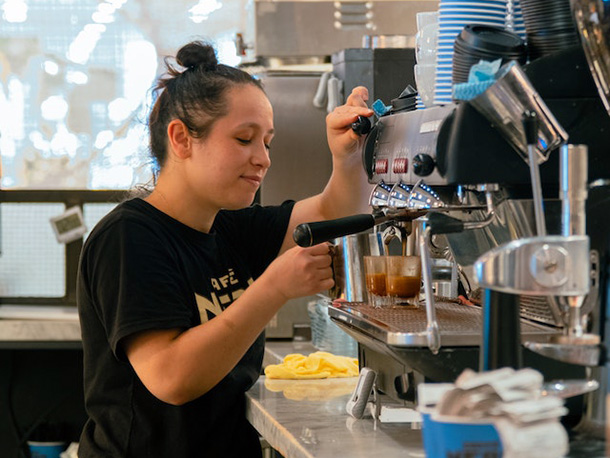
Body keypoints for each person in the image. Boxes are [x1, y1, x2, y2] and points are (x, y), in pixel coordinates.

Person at [76, 40, 374, 457]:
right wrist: (274, 287)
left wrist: (347, 158)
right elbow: (172, 378)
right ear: (181, 139)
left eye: (267, 142)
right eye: (244, 139)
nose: (263, 158)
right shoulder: (128, 238)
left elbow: (331, 210)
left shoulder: (229, 227)